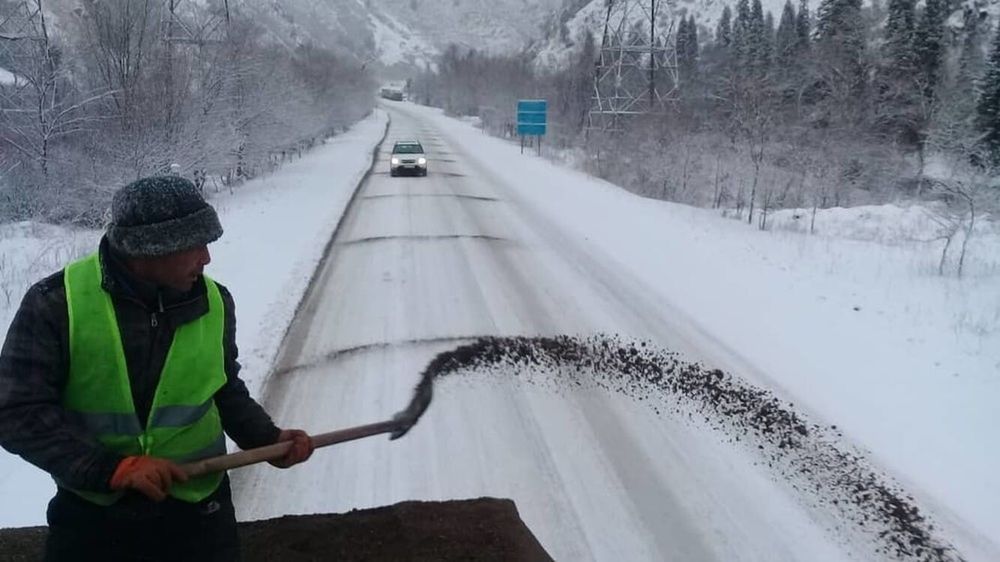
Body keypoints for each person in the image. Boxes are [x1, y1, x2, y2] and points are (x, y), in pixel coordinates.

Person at [0, 176, 314, 561]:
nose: (207, 258)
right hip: (95, 520)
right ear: (147, 250)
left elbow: (224, 387)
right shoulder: (55, 304)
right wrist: (111, 469)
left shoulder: (216, 301)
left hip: (200, 514)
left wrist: (268, 438)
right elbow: (16, 411)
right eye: (193, 245)